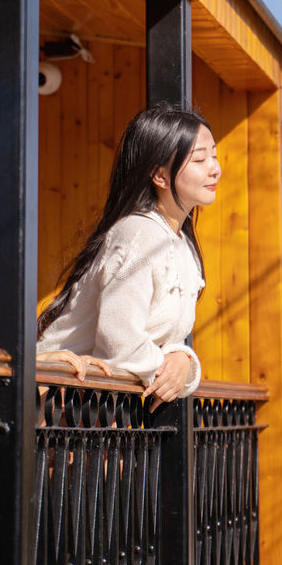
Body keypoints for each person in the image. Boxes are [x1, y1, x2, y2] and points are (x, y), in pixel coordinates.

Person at [37, 103, 220, 408]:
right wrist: (174, 367)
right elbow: (119, 340)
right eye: (200, 158)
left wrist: (186, 362)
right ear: (159, 176)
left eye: (213, 155)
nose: (215, 167)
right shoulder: (139, 234)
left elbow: (165, 342)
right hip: (51, 404)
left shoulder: (181, 245)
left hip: (88, 412)